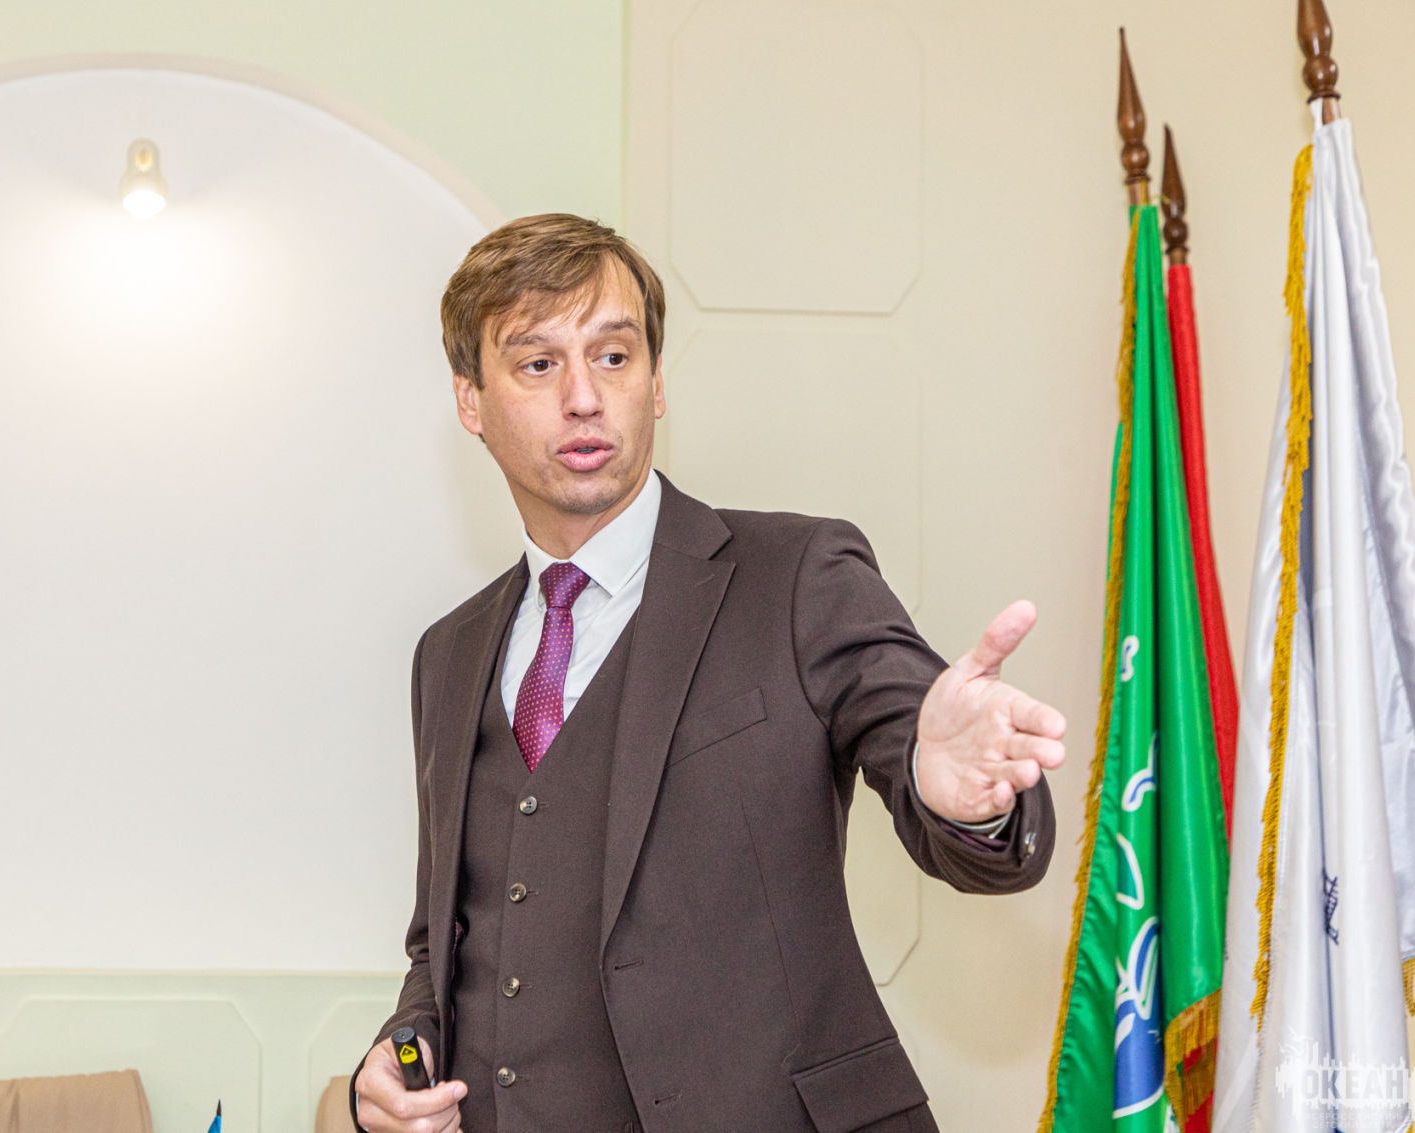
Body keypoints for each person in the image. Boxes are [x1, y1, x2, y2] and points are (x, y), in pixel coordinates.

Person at [349, 214, 1065, 1133]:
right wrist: (401, 1052)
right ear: (470, 400)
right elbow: (447, 941)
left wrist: (965, 797)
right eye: (538, 363)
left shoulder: (799, 576)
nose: (583, 397)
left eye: (614, 356)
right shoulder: (447, 655)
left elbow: (963, 812)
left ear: (655, 384)